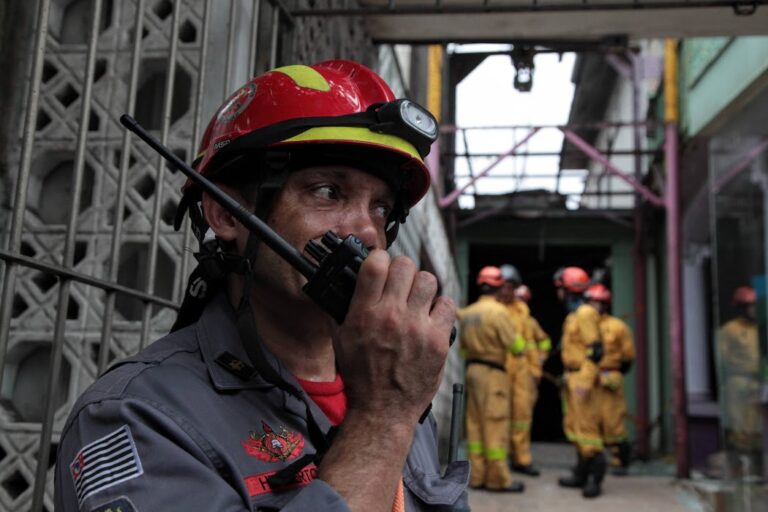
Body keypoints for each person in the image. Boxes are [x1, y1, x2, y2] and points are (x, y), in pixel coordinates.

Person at [54, 60, 468, 512]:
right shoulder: (135, 417)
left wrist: (391, 408)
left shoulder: (395, 383)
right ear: (228, 214)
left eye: (381, 209)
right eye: (328, 192)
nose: (368, 233)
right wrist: (381, 420)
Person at [458, 266, 525, 492]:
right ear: (497, 287)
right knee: (495, 424)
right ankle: (497, 480)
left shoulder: (468, 313)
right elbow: (515, 347)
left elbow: (464, 350)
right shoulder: (499, 312)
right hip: (494, 374)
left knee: (475, 426)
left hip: (473, 371)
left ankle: (476, 477)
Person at [553, 267, 606, 498]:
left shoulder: (584, 313)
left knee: (587, 430)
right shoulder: (574, 315)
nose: (559, 293)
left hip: (582, 378)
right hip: (572, 376)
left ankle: (595, 478)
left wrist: (584, 379)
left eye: (561, 288)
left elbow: (595, 350)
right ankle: (581, 474)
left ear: (570, 289)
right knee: (574, 428)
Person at [584, 283, 635, 476]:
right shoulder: (585, 325)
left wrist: (614, 373)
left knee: (613, 421)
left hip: (610, 376)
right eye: (592, 302)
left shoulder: (617, 326)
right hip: (589, 377)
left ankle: (620, 459)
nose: (595, 306)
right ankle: (593, 459)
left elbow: (628, 356)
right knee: (590, 420)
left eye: (599, 302)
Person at [498, 265, 540, 477]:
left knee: (522, 416)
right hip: (500, 367)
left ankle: (522, 459)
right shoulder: (492, 308)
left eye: (510, 286)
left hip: (522, 370)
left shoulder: (523, 311)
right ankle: (499, 462)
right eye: (503, 286)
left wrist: (535, 370)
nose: (506, 290)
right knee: (498, 416)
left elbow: (531, 343)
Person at [717, 285, 762, 477]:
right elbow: (722, 358)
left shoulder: (759, 329)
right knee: (738, 430)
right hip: (737, 383)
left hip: (757, 383)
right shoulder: (730, 330)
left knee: (757, 430)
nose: (753, 310)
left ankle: (758, 473)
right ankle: (736, 473)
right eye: (750, 306)